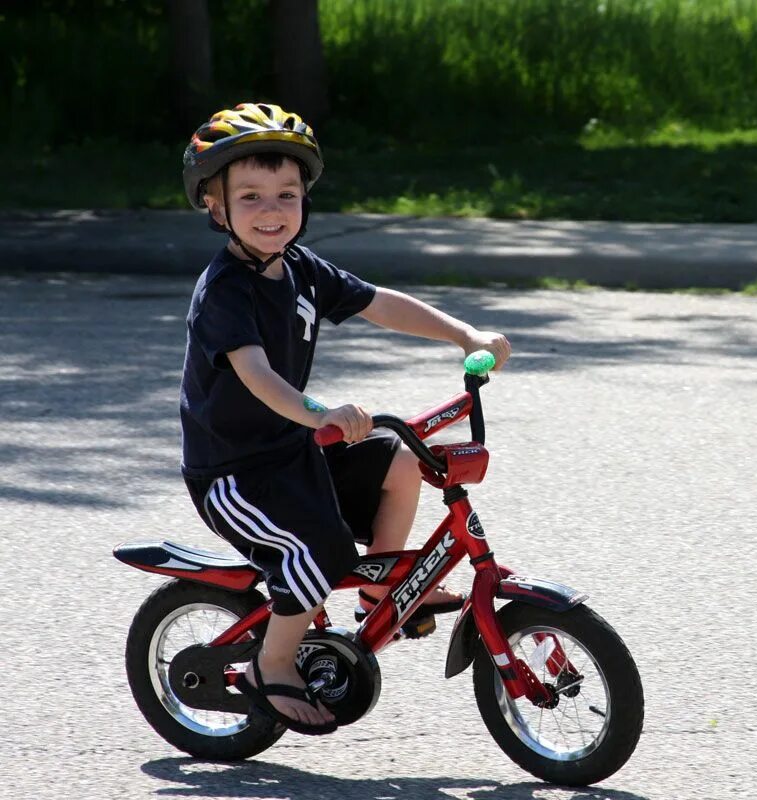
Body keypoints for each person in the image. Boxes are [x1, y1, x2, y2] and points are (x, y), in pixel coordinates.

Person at [178, 102, 511, 735]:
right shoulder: (225, 289)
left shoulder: (301, 270)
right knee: (320, 550)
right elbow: (257, 375)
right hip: (235, 473)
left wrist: (463, 335)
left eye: (286, 194)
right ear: (216, 208)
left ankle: (382, 589)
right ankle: (269, 667)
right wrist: (320, 413)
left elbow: (379, 304)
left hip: (292, 451)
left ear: (305, 198)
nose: (272, 210)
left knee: (402, 454)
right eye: (250, 197)